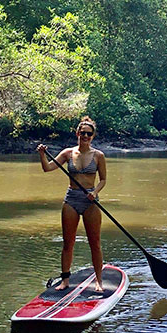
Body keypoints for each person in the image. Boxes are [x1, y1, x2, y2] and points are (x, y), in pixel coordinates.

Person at [37, 116, 107, 293]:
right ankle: (65, 281)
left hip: (90, 201)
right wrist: (42, 155)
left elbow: (103, 180)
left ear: (93, 136)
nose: (85, 136)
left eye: (89, 134)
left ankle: (99, 281)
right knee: (68, 243)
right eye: (82, 133)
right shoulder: (68, 153)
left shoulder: (99, 156)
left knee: (95, 243)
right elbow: (47, 168)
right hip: (71, 199)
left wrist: (95, 192)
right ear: (77, 133)